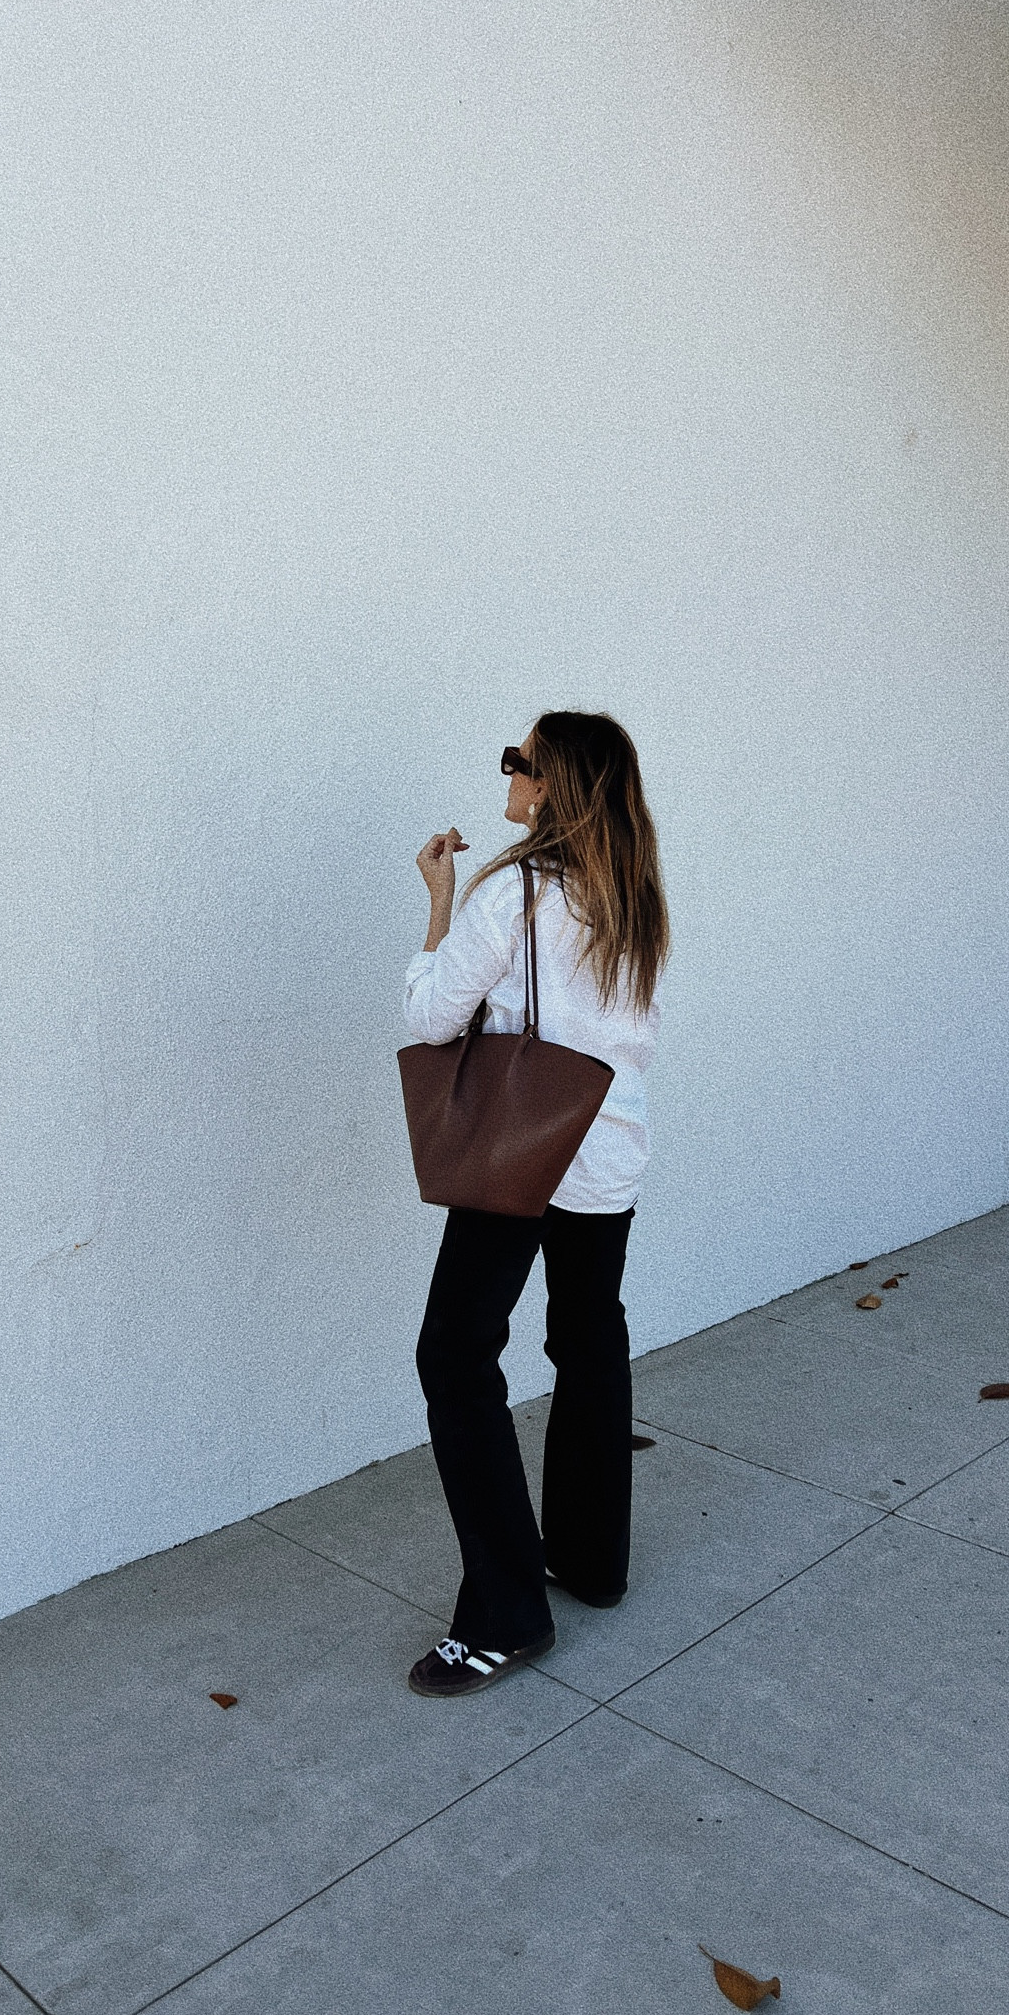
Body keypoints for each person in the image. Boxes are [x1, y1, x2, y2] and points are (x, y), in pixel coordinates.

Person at [403, 710, 669, 1696]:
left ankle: (508, 1610)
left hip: (523, 1149)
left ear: (552, 786)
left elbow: (432, 1016)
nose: (506, 772)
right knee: (589, 1336)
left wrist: (436, 905)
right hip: (609, 1152)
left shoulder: (512, 892)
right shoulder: (631, 892)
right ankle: (591, 1561)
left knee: (454, 1352)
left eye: (518, 761)